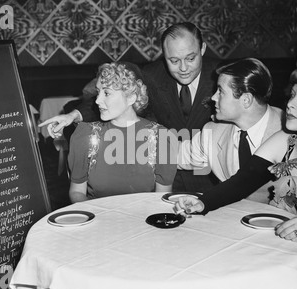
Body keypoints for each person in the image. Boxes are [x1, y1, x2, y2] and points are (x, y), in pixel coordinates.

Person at [175, 65, 297, 289]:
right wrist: (202, 203)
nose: (291, 104)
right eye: (292, 95)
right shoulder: (284, 141)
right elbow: (240, 184)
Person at [39, 22, 221, 193]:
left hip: (213, 181)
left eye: (190, 58)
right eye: (173, 60)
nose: (183, 68)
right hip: (167, 182)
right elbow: (111, 93)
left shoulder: (222, 77)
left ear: (202, 49)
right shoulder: (154, 75)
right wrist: (72, 115)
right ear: (164, 56)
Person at [68, 62, 177, 202]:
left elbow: (161, 198)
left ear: (131, 97)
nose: (97, 101)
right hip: (98, 219)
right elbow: (77, 192)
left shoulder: (160, 138)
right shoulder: (86, 135)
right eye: (98, 92)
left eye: (106, 93)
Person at [178, 58, 283, 204]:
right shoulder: (214, 131)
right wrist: (136, 129)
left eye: (220, 91)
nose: (213, 97)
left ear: (246, 100)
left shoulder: (291, 133)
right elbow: (172, 155)